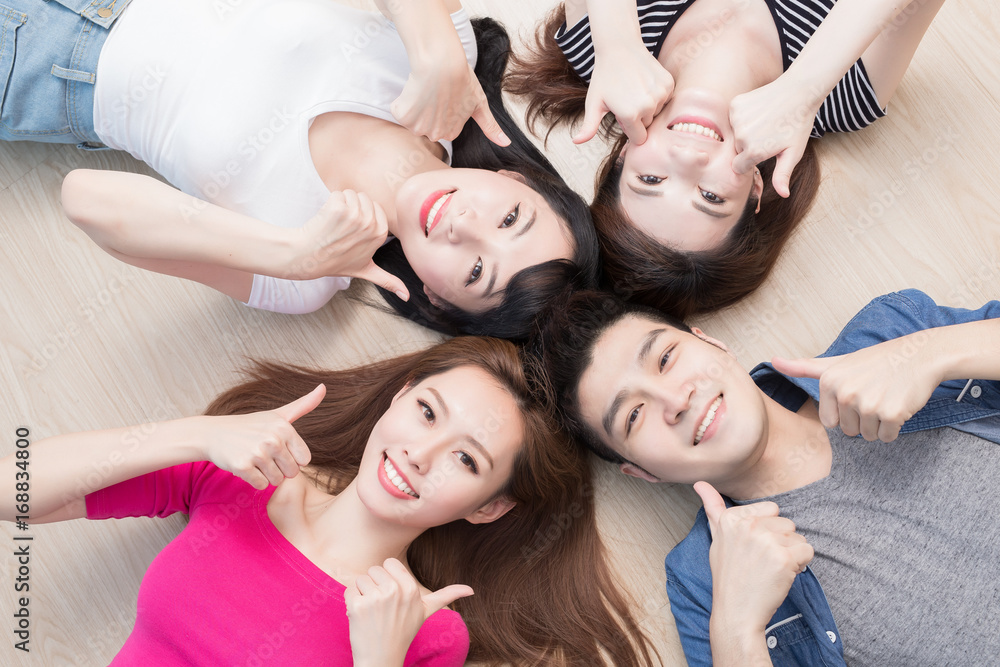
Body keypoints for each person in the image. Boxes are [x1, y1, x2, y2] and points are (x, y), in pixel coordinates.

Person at [1, 336, 657, 665]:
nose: (421, 454)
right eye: (427, 411)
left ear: (487, 506)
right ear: (398, 397)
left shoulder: (423, 629)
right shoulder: (242, 478)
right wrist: (194, 434)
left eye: (466, 458)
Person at [7, 0, 598, 339]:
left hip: (37, 66)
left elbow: (86, 198)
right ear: (515, 180)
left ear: (438, 299)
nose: (465, 225)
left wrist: (294, 254)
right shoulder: (452, 66)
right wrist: (433, 47)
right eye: (511, 218)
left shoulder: (306, 279)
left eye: (474, 271)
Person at [534, 288, 1000, 665]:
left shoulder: (889, 334)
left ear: (712, 344)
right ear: (642, 473)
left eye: (666, 358)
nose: (675, 400)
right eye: (634, 415)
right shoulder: (705, 585)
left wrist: (939, 351)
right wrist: (737, 633)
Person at [509, 0, 945, 318]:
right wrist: (805, 89)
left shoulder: (602, 53)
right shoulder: (844, 96)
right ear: (755, 187)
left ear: (624, 152)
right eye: (710, 195)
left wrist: (617, 43)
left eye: (652, 180)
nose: (687, 157)